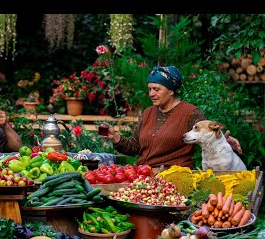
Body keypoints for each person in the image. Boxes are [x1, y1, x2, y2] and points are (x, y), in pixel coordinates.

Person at [102, 65, 242, 169]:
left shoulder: (190, 113)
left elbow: (208, 134)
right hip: (142, 176)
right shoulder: (148, 113)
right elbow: (135, 147)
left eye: (156, 89)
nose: (151, 94)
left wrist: (224, 141)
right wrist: (115, 137)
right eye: (150, 89)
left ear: (171, 91)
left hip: (173, 179)